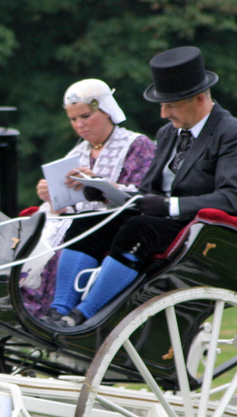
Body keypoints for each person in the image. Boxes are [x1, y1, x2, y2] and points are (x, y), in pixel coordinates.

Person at [44, 46, 237, 327]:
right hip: (161, 222)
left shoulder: (233, 133)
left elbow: (233, 199)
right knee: (88, 222)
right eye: (161, 105)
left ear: (199, 99)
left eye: (171, 105)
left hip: (203, 229)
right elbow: (147, 191)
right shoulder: (168, 133)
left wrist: (169, 206)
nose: (163, 113)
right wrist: (105, 193)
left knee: (139, 228)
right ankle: (58, 310)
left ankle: (81, 317)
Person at [20, 79, 156, 316]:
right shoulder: (76, 153)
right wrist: (52, 197)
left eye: (85, 116)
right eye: (73, 119)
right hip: (78, 225)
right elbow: (68, 207)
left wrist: (100, 184)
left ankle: (57, 312)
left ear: (107, 111)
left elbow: (143, 196)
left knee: (59, 250)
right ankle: (35, 310)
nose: (79, 125)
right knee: (30, 246)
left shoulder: (136, 144)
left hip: (120, 227)